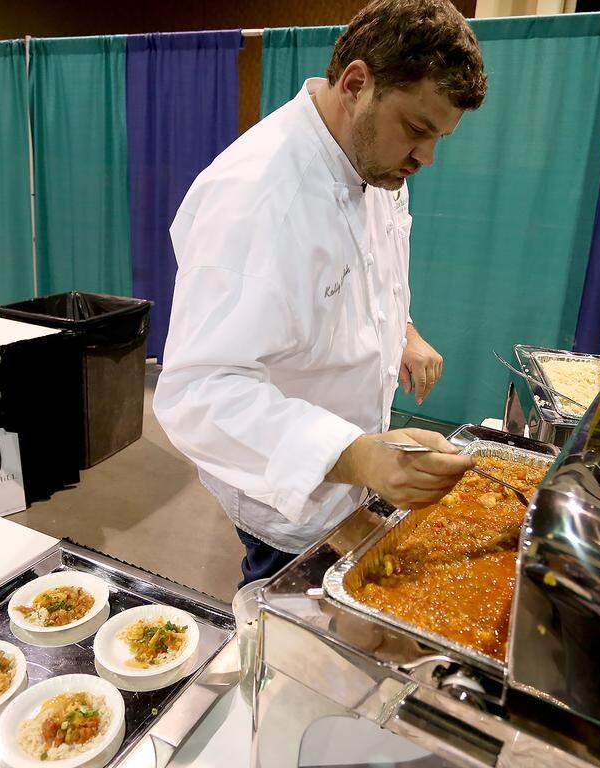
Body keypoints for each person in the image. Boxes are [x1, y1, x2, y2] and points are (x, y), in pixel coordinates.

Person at [154, 0, 488, 586]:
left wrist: (402, 332)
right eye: (417, 130)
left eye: (439, 138)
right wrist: (356, 457)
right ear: (357, 83)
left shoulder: (374, 159)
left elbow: (370, 272)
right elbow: (198, 394)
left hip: (357, 463)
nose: (427, 158)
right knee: (283, 634)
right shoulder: (256, 195)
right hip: (283, 485)